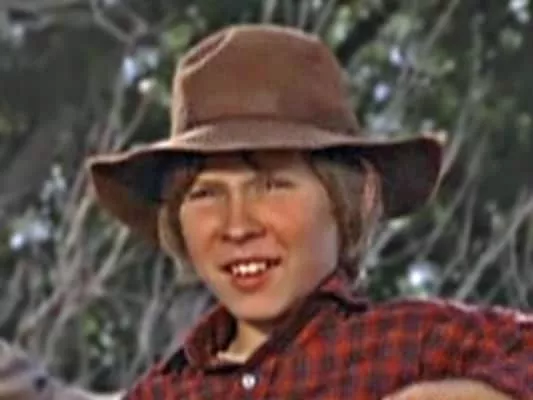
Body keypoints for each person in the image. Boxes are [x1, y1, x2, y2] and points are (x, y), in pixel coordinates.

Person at [87, 24, 533, 399]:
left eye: (272, 186)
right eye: (206, 194)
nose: (237, 226)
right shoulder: (161, 393)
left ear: (353, 200)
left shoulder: (413, 342)